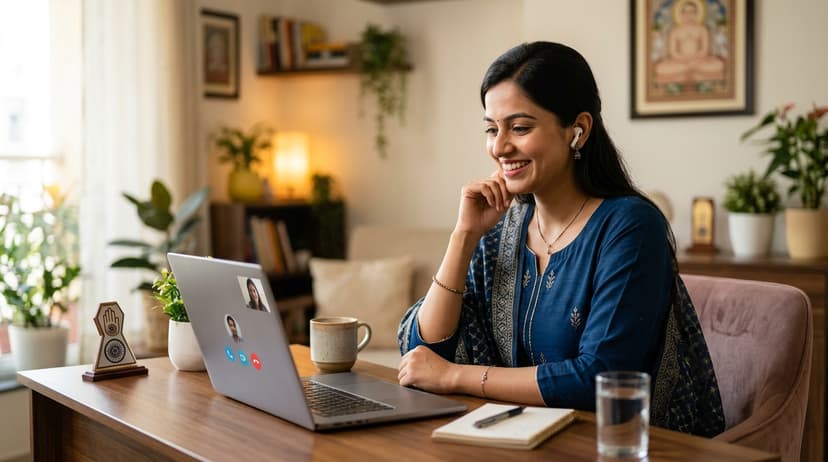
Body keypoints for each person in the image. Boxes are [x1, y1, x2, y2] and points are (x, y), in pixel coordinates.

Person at [396, 42, 725, 436]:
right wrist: (464, 236)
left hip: (617, 446)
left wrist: (454, 377)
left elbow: (600, 377)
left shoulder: (630, 228)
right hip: (519, 440)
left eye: (519, 127)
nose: (499, 147)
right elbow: (424, 352)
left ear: (578, 130)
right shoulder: (504, 230)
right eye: (491, 128)